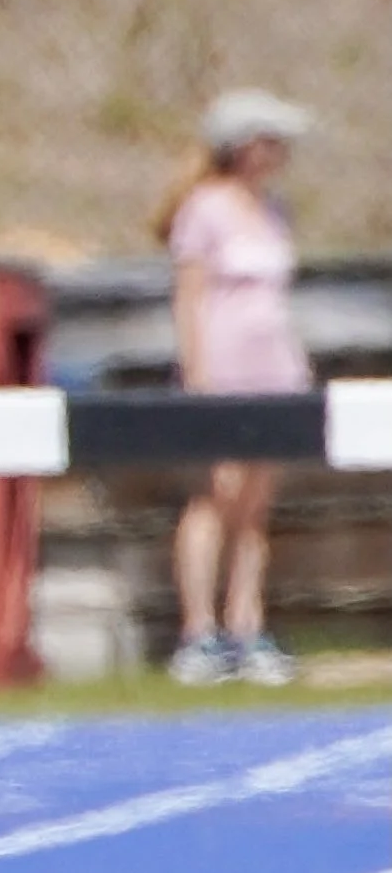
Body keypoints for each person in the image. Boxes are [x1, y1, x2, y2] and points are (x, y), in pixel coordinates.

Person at [155, 89, 314, 687]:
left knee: (256, 505)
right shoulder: (206, 208)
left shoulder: (273, 211)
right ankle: (199, 631)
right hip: (222, 366)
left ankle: (248, 624)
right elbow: (190, 296)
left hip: (273, 367)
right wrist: (197, 374)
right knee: (214, 498)